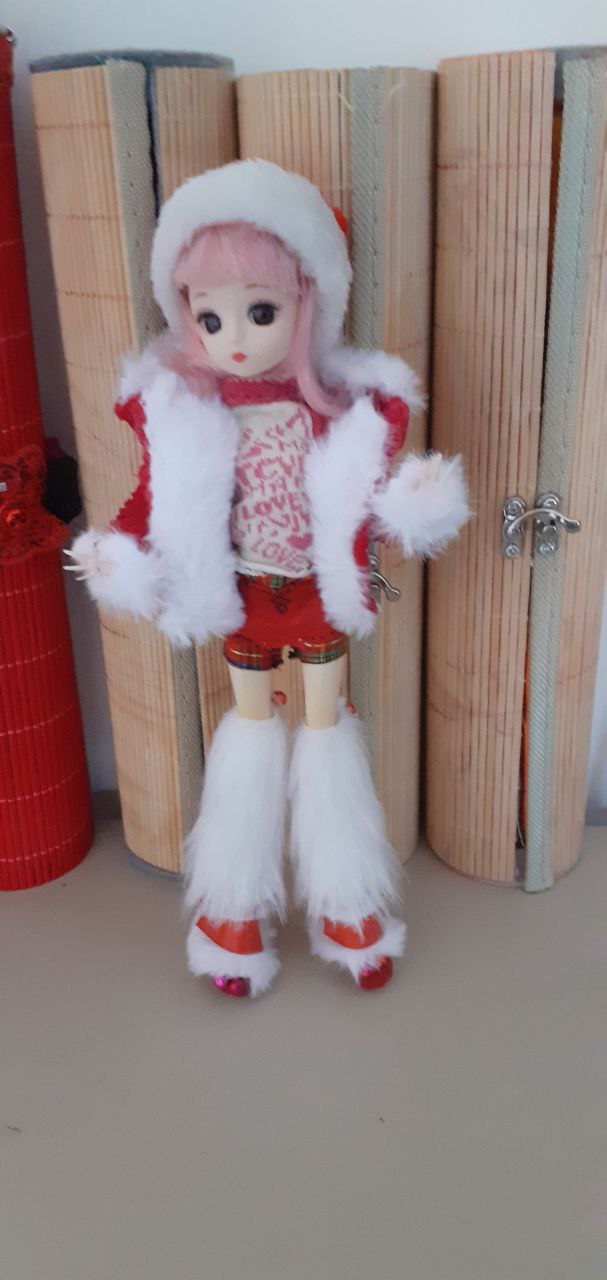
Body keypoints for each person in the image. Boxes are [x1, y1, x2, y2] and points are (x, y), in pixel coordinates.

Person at [67, 159, 469, 998]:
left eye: (260, 311)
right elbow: (149, 500)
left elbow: (371, 502)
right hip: (243, 603)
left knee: (326, 738)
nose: (236, 338)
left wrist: (418, 501)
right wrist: (121, 553)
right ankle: (233, 913)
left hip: (314, 601)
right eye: (208, 316)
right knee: (248, 739)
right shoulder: (187, 414)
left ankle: (347, 904)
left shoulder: (339, 411)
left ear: (305, 303)